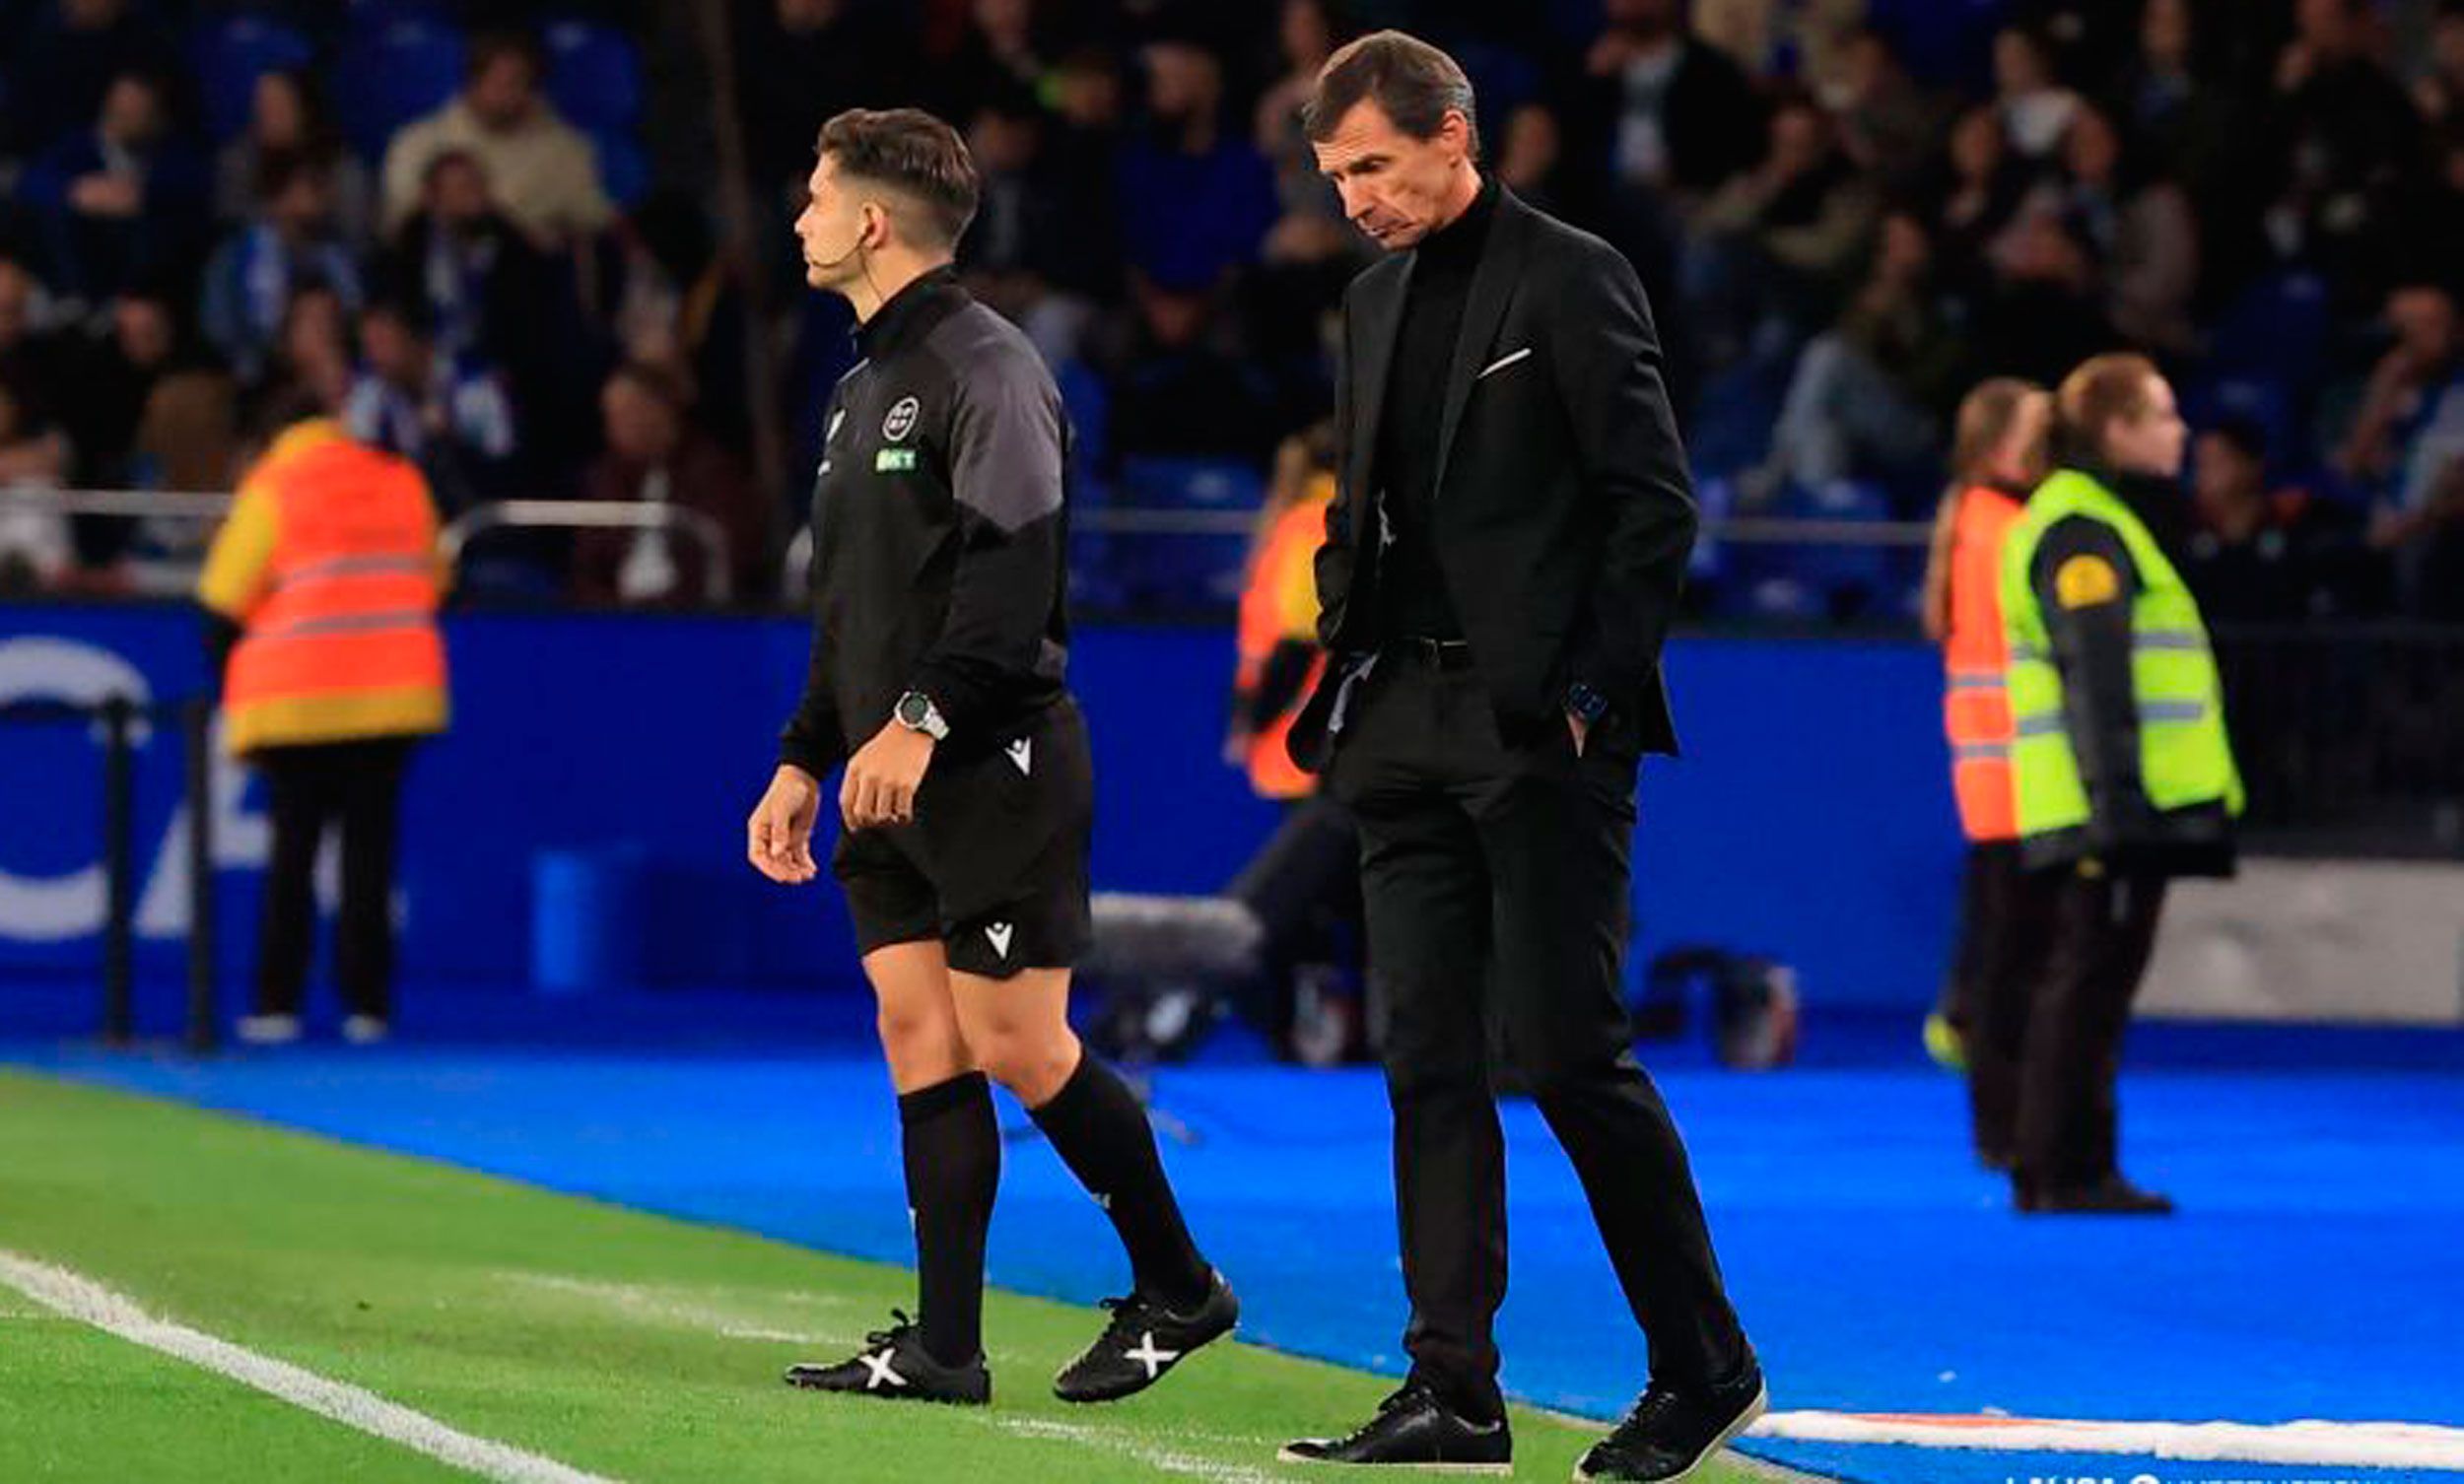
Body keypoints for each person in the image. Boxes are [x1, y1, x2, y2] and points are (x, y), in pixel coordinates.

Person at [1278, 34, 1760, 1482]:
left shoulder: (1568, 272)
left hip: (1532, 725)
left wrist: (1591, 693)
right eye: (1334, 175)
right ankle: (1453, 1390)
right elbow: (1363, 504)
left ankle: (1703, 1365)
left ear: (1452, 135)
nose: (1353, 197)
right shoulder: (1367, 299)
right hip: (1400, 727)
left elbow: (1651, 503)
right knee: (1424, 1053)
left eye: (1371, 164)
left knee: (1562, 1049)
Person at [744, 107, 1236, 1409]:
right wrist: (807, 753)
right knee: (920, 1034)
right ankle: (946, 1347)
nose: (798, 217)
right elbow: (850, 605)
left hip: (992, 760)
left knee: (1016, 1039)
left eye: (814, 194)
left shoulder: (990, 366)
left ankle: (1181, 1283)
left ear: (869, 219)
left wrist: (919, 720)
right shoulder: (855, 391)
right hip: (879, 771)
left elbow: (1015, 571)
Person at [1994, 353, 2244, 1215]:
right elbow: (2094, 678)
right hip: (2106, 807)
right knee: (2087, 981)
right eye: (2164, 415)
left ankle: (2069, 1163)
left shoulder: (2090, 519)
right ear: (2117, 430)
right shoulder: (2082, 528)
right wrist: (2121, 808)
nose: (2181, 431)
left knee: (2091, 980)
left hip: (2100, 801)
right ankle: (2061, 1167)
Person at [198, 392, 450, 1046]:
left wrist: (236, 682)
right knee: (369, 856)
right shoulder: (400, 478)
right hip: (393, 698)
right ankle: (368, 1008)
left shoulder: (274, 484)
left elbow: (221, 597)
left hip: (298, 702)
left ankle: (277, 1005)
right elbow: (437, 578)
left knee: (294, 856)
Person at [1917, 378, 2055, 1172]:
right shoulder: (2006, 528)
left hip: (1997, 780)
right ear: (2002, 445)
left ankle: (2005, 1122)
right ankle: (2005, 1130)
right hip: (2021, 777)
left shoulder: (1976, 519)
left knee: (2004, 964)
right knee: (2013, 972)